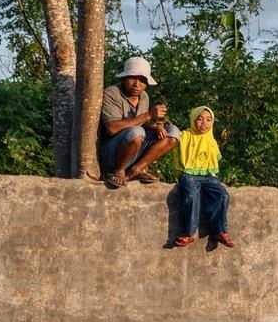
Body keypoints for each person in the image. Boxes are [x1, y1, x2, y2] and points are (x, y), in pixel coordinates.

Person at [99, 56, 179, 188]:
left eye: (142, 80)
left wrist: (154, 126)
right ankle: (118, 171)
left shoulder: (144, 96)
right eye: (133, 78)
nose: (137, 84)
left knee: (173, 132)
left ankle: (136, 169)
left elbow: (140, 124)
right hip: (111, 154)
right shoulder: (112, 93)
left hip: (133, 152)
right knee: (137, 132)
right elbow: (112, 128)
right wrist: (148, 114)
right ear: (124, 78)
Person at [165, 105, 233, 249]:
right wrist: (166, 127)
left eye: (209, 120)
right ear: (192, 120)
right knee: (191, 195)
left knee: (223, 196)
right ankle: (189, 233)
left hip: (209, 176)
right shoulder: (185, 136)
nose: (204, 124)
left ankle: (220, 231)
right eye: (200, 119)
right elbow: (172, 140)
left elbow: (214, 161)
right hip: (189, 175)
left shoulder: (211, 141)